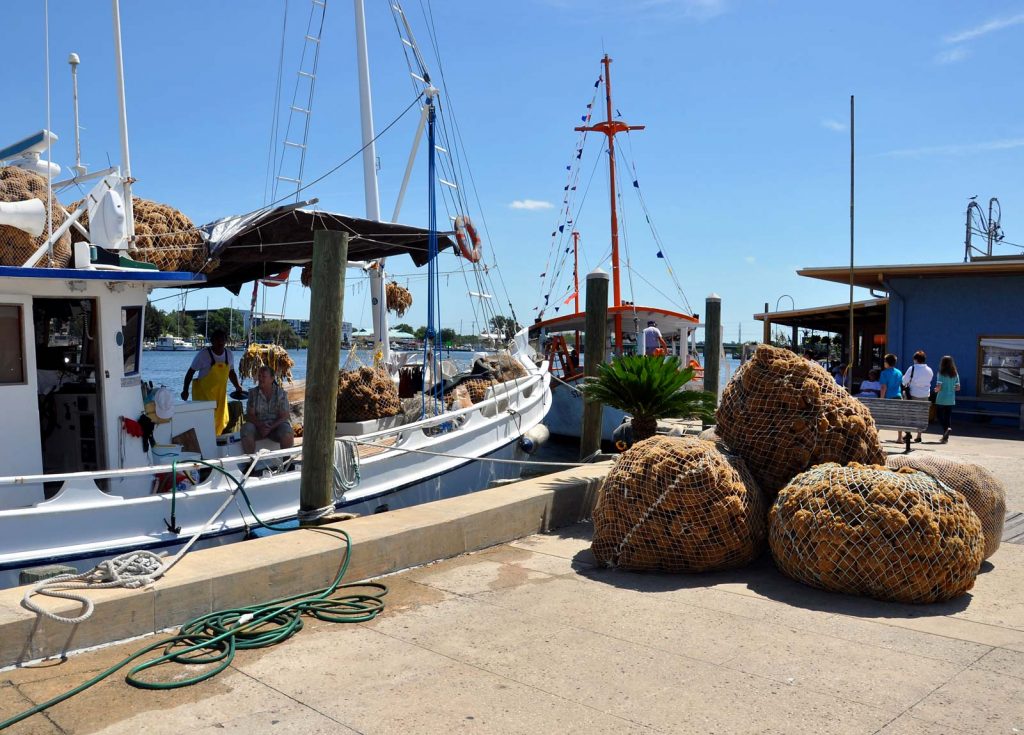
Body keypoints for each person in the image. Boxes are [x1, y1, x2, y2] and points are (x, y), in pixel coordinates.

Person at [181, 329, 244, 435]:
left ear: (226, 341)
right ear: (212, 341)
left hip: (220, 396)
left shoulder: (229, 354)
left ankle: (216, 442)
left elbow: (231, 372)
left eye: (222, 340)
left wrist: (238, 386)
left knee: (221, 421)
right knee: (205, 422)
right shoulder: (203, 354)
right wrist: (185, 390)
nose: (220, 342)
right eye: (217, 340)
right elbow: (190, 372)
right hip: (204, 396)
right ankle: (205, 443)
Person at [241, 365, 294, 453]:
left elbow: (284, 416)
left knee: (287, 432)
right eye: (259, 376)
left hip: (276, 427)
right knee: (246, 429)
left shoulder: (280, 393)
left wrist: (270, 427)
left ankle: (287, 462)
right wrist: (261, 425)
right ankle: (250, 464)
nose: (261, 379)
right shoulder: (253, 393)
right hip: (258, 427)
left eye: (264, 377)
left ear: (272, 379)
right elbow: (250, 415)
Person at [902, 350, 934, 443]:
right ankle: (919, 435)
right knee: (921, 415)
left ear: (915, 359)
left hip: (913, 394)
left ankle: (908, 433)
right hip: (925, 395)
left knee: (909, 414)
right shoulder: (929, 370)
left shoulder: (912, 368)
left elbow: (904, 381)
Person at [933, 355, 960, 444]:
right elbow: (958, 388)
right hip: (951, 398)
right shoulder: (955, 373)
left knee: (939, 416)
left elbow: (939, 387)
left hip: (941, 398)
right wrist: (950, 388)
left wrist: (935, 390)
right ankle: (945, 437)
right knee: (948, 417)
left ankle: (946, 429)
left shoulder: (941, 373)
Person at [879, 353, 904, 442]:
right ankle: (900, 437)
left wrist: (881, 399)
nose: (884, 363)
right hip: (898, 396)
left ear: (887, 363)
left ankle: (877, 436)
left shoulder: (884, 373)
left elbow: (883, 387)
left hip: (889, 397)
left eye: (884, 361)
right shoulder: (899, 372)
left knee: (881, 416)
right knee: (898, 417)